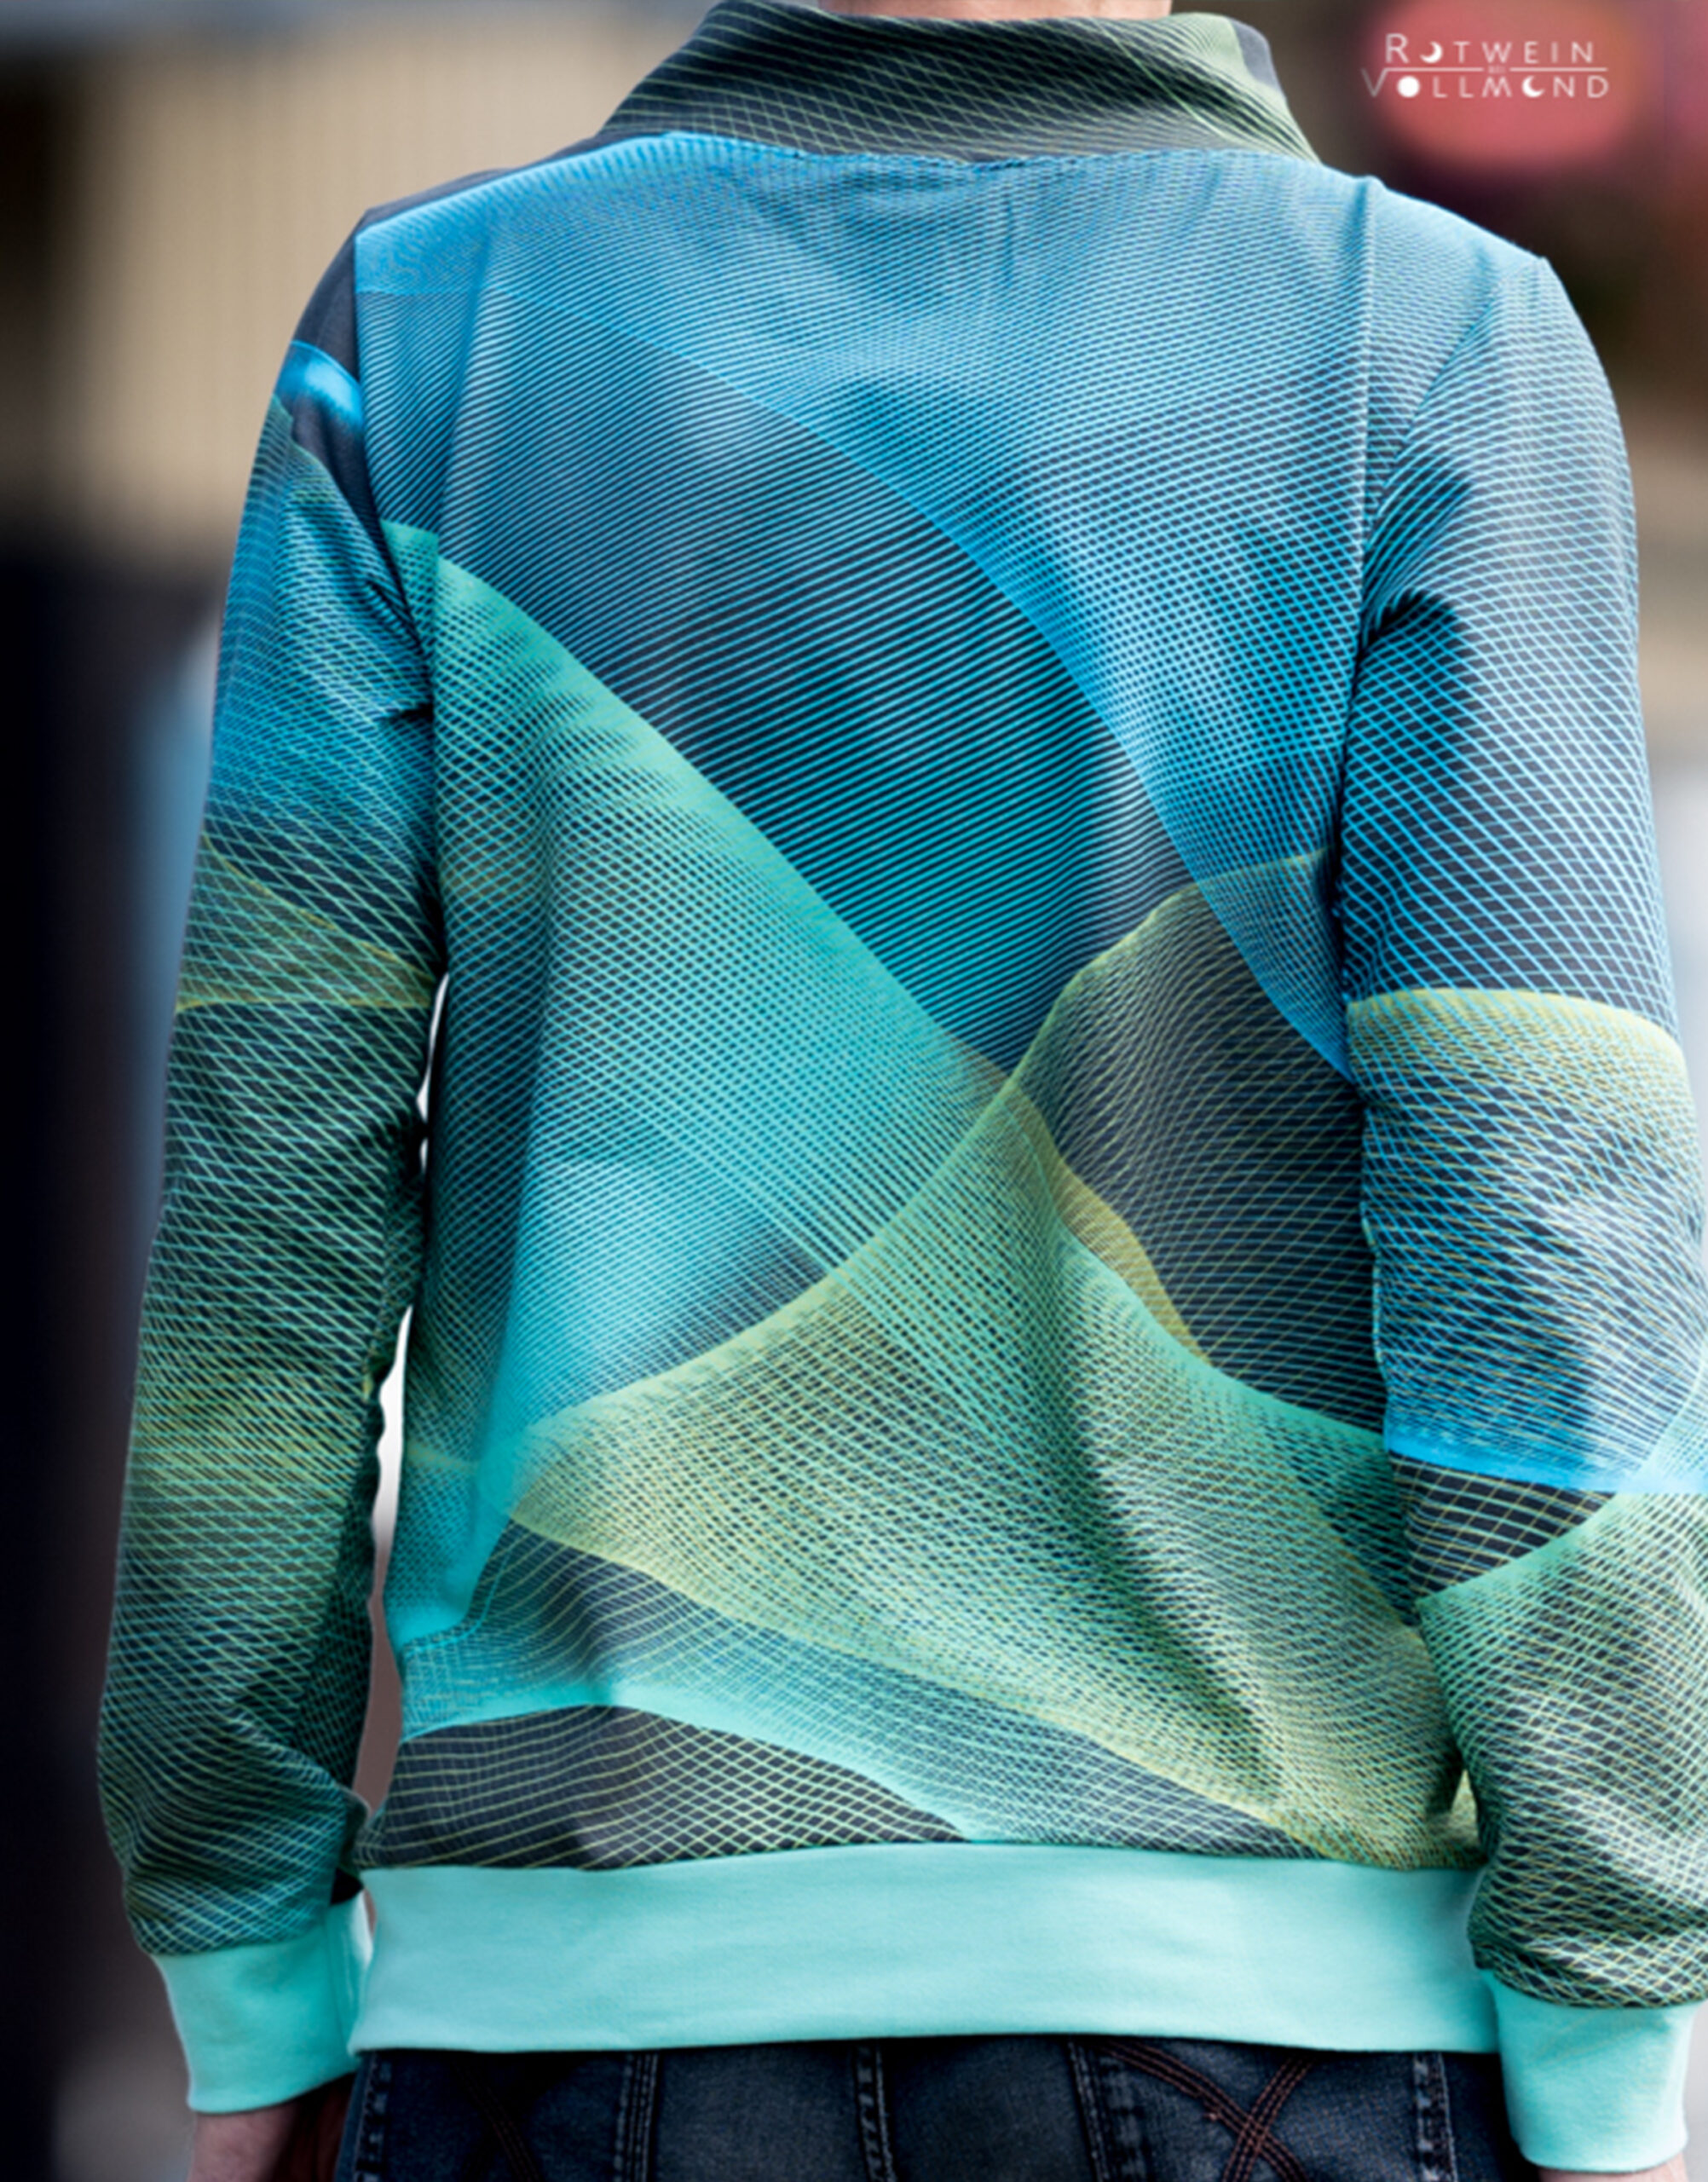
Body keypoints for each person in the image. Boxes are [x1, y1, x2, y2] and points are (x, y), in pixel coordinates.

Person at [99, 0, 1708, 2177]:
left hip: (564, 2013)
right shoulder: (1425, 343)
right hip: (1270, 2016)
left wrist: (246, 1955)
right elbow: (1541, 1214)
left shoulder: (427, 328)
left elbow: (263, 1214)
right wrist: (1612, 1990)